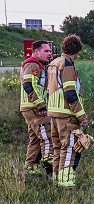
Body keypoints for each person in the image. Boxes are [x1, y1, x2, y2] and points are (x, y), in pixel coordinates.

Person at [46, 35, 89, 188]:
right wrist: (81, 116)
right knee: (70, 148)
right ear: (76, 50)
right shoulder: (67, 64)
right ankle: (66, 183)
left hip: (54, 113)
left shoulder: (53, 63)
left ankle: (57, 179)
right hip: (66, 115)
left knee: (57, 148)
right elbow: (70, 93)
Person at [19, 40, 55, 178]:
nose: (49, 54)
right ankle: (50, 169)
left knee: (35, 140)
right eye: (46, 51)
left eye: (50, 51)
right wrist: (41, 105)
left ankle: (30, 172)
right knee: (47, 137)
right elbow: (28, 85)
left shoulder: (39, 65)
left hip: (31, 108)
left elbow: (38, 88)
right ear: (36, 52)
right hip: (34, 108)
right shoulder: (32, 64)